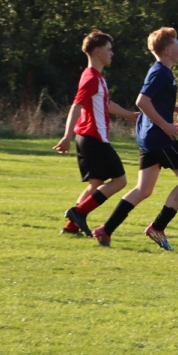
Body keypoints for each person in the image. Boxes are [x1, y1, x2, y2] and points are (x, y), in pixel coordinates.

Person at [92, 27, 178, 249]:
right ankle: (157, 228)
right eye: (177, 45)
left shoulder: (161, 70)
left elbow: (155, 99)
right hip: (160, 139)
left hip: (149, 138)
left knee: (144, 190)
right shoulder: (161, 72)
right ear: (168, 51)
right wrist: (166, 125)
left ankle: (106, 230)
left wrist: (175, 108)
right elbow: (142, 101)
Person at [53, 30, 139, 237]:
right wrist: (66, 137)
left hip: (89, 137)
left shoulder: (96, 77)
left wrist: (128, 115)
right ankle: (78, 212)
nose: (112, 54)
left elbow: (105, 104)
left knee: (96, 185)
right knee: (120, 181)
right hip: (93, 138)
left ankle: (71, 227)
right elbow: (77, 106)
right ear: (98, 51)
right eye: (109, 50)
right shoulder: (91, 78)